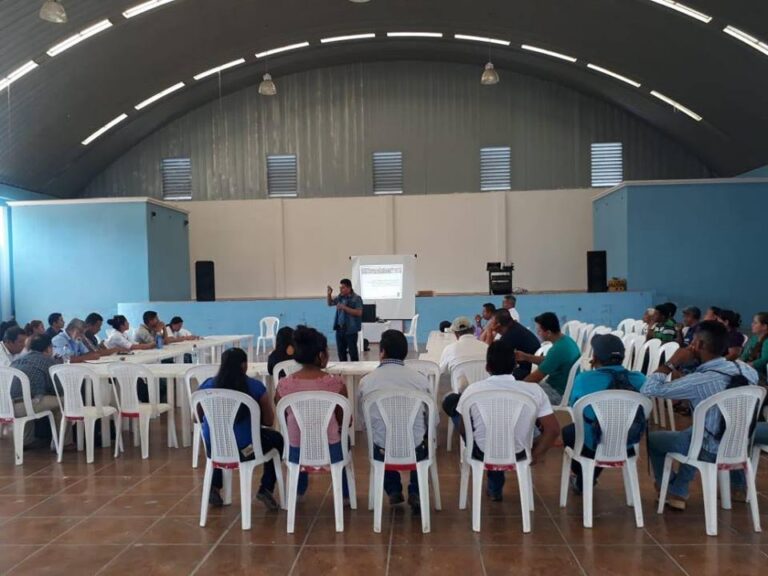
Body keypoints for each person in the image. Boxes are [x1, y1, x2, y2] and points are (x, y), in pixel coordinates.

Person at [641, 320, 759, 511]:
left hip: (710, 449)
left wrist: (672, 362)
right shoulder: (747, 370)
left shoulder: (700, 380)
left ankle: (670, 488)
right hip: (740, 444)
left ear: (699, 345)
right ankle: (730, 488)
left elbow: (649, 388)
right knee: (696, 432)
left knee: (656, 439)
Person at [442, 340, 560, 501]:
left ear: (487, 368)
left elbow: (464, 428)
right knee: (502, 432)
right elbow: (553, 430)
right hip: (519, 452)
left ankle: (494, 485)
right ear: (515, 366)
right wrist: (536, 455)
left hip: (482, 451)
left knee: (452, 404)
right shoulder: (534, 391)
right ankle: (494, 486)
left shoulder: (472, 390)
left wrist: (472, 441)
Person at [358, 330, 434, 514]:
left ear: (381, 352)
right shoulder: (420, 380)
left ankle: (393, 489)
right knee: (425, 439)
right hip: (415, 449)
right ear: (405, 352)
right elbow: (433, 420)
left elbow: (364, 423)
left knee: (380, 437)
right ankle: (416, 490)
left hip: (383, 450)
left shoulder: (366, 382)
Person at [198, 347, 283, 510]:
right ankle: (266, 488)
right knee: (277, 439)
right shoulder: (256, 387)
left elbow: (196, 417)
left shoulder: (207, 386)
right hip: (246, 449)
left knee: (220, 440)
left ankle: (214, 486)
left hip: (214, 448)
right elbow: (269, 421)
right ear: (244, 366)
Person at [561, 334, 646, 494]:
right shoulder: (639, 378)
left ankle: (584, 478)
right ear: (623, 356)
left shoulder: (584, 379)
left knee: (570, 431)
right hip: (627, 443)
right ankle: (586, 479)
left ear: (595, 357)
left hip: (593, 445)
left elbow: (575, 405)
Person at [274, 326, 350, 497]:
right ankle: (344, 493)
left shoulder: (284, 385)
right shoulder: (336, 384)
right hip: (332, 450)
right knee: (345, 438)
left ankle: (297, 491)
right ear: (321, 356)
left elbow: (284, 415)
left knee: (299, 434)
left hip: (296, 450)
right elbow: (346, 421)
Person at [10, 334, 63, 446]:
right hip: (29, 405)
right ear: (49, 348)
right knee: (64, 400)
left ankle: (26, 440)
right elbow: (58, 389)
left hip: (8, 407)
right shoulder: (47, 361)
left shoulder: (16, 360)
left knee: (27, 396)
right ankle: (62, 443)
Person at [519, 312, 581, 405]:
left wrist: (516, 388)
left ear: (548, 333)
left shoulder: (558, 350)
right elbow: (548, 360)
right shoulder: (566, 341)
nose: (537, 333)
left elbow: (534, 378)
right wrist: (525, 357)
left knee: (522, 396)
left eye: (539, 331)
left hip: (558, 393)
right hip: (565, 389)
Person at [488, 309, 540, 379]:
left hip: (526, 371)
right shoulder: (514, 328)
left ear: (498, 324)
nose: (490, 323)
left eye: (491, 320)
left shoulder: (510, 335)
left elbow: (494, 356)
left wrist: (489, 332)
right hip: (529, 367)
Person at [326, 279, 363, 362]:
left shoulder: (356, 298)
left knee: (353, 353)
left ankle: (355, 372)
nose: (340, 289)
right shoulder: (340, 297)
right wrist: (329, 294)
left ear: (349, 288)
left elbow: (359, 313)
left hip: (351, 330)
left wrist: (344, 307)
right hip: (339, 329)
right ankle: (343, 372)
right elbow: (330, 303)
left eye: (343, 288)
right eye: (340, 287)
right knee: (341, 353)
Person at [741, 312, 768, 378]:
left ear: (764, 326)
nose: (752, 324)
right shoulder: (754, 338)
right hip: (749, 370)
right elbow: (745, 354)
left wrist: (747, 365)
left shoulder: (767, 341)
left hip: (761, 375)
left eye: (755, 323)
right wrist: (739, 362)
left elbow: (764, 360)